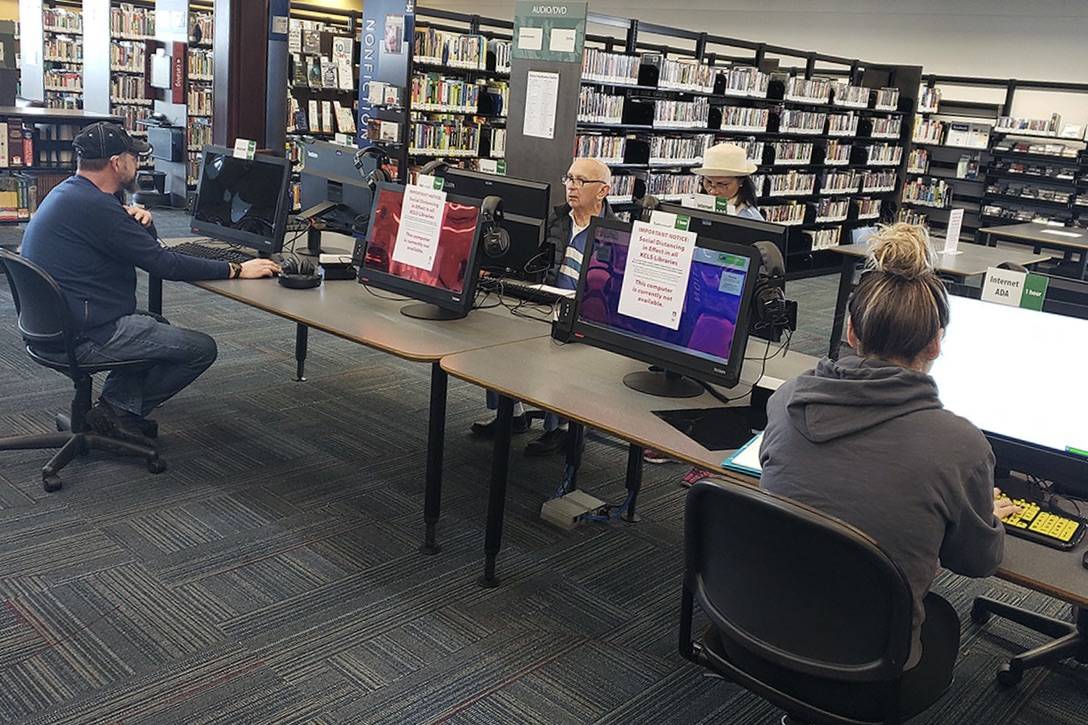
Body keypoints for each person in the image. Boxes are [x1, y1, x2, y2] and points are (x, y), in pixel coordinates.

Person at [753, 223, 1016, 703]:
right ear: (936, 343)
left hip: (756, 624)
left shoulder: (787, 398)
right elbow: (978, 562)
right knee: (939, 615)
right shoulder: (961, 446)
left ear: (851, 332)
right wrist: (990, 517)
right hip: (869, 665)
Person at [19, 122, 279, 442]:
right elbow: (164, 263)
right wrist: (236, 269)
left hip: (52, 327)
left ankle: (114, 407)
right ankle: (116, 409)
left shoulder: (71, 192)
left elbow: (144, 250)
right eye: (134, 157)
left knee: (155, 322)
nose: (138, 163)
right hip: (84, 335)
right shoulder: (98, 207)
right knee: (200, 349)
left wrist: (146, 222)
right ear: (117, 163)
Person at [471, 157, 616, 456]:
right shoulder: (555, 219)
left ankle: (561, 429)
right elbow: (530, 260)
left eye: (581, 181)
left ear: (603, 191)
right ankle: (512, 414)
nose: (572, 187)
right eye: (569, 179)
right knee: (496, 331)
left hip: (584, 315)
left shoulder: (615, 233)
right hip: (542, 302)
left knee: (563, 351)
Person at [664, 142, 764, 472]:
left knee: (712, 365)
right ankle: (672, 431)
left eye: (723, 184)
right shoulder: (696, 206)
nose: (715, 190)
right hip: (695, 288)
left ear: (740, 184)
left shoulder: (751, 219)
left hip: (728, 297)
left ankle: (702, 447)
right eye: (709, 183)